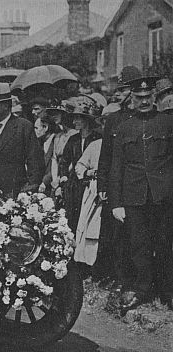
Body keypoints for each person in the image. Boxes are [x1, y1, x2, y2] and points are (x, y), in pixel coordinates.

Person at [109, 76, 173, 312]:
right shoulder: (124, 128)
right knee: (138, 246)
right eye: (139, 97)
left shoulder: (167, 123)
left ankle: (168, 291)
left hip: (163, 194)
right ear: (132, 99)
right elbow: (117, 167)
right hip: (134, 196)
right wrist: (116, 203)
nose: (144, 101)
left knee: (165, 243)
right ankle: (142, 289)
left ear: (154, 97)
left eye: (148, 97)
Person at [96, 65, 141, 292]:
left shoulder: (144, 117)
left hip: (137, 183)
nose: (119, 94)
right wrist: (102, 185)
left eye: (124, 89)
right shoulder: (114, 119)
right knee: (116, 234)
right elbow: (105, 157)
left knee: (138, 235)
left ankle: (139, 281)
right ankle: (120, 278)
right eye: (119, 89)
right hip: (116, 184)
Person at [0, 82, 44, 198]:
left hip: (15, 194)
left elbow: (35, 163)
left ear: (6, 105)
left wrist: (28, 191)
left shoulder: (23, 127)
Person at [57, 97, 102, 233]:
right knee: (73, 216)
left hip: (92, 182)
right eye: (74, 119)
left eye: (78, 119)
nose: (75, 122)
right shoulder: (73, 139)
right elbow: (64, 161)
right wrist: (63, 176)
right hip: (74, 184)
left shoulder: (97, 138)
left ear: (86, 120)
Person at [74, 137, 103, 267]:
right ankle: (88, 262)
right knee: (90, 226)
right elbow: (79, 166)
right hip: (94, 190)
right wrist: (89, 172)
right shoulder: (96, 145)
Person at [47, 99, 78, 195]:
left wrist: (61, 177)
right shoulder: (57, 136)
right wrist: (55, 179)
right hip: (57, 179)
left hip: (71, 176)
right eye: (52, 114)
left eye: (57, 113)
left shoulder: (75, 135)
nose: (54, 116)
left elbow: (74, 160)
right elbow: (54, 159)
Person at [34, 116, 58, 195]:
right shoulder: (41, 143)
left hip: (52, 186)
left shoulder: (56, 140)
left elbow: (56, 164)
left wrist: (45, 181)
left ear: (45, 127)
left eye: (36, 128)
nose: (34, 131)